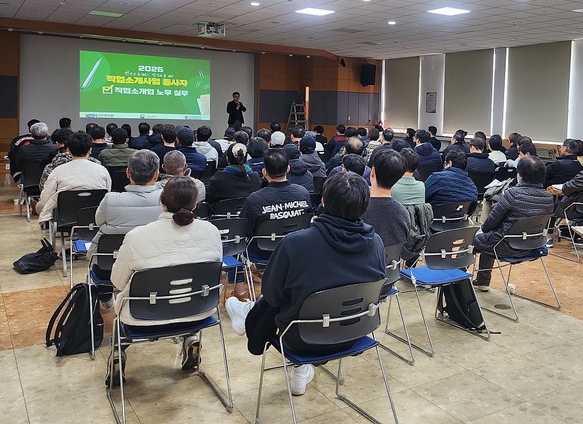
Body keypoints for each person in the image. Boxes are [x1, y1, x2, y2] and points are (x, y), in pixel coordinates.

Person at [225, 172, 384, 397]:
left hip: (301, 338)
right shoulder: (376, 243)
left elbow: (272, 294)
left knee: (279, 301)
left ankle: (248, 314)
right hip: (356, 332)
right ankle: (299, 367)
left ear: (323, 201)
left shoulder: (295, 243)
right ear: (365, 206)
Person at [107, 177, 222, 383]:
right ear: (196, 204)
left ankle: (118, 352)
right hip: (199, 311)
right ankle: (191, 337)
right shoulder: (211, 231)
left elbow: (117, 282)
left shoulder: (137, 236)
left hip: (143, 316)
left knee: (121, 316)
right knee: (185, 297)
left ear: (162, 202)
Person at [234, 149, 312, 298]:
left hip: (262, 252)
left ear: (264, 172)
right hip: (295, 249)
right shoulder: (303, 193)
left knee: (235, 242)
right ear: (288, 169)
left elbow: (244, 230)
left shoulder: (254, 199)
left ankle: (240, 291)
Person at [89, 150, 162, 303]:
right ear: (156, 175)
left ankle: (106, 299)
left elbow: (98, 222)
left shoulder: (111, 199)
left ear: (128, 173)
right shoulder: (166, 199)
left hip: (108, 265)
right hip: (153, 266)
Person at [473, 156, 554, 290]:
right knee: (490, 238)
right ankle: (482, 281)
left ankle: (467, 282)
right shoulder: (549, 197)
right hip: (534, 245)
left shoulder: (512, 194)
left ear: (520, 175)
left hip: (507, 247)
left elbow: (488, 225)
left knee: (475, 239)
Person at [37, 131, 112, 223]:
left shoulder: (58, 171)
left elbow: (46, 197)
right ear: (90, 150)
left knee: (40, 206)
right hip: (95, 217)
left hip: (64, 219)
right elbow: (107, 192)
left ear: (69, 150)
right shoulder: (102, 169)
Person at [361, 149, 412, 265]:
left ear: (372, 171)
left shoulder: (357, 208)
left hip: (360, 271)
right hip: (389, 270)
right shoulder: (404, 213)